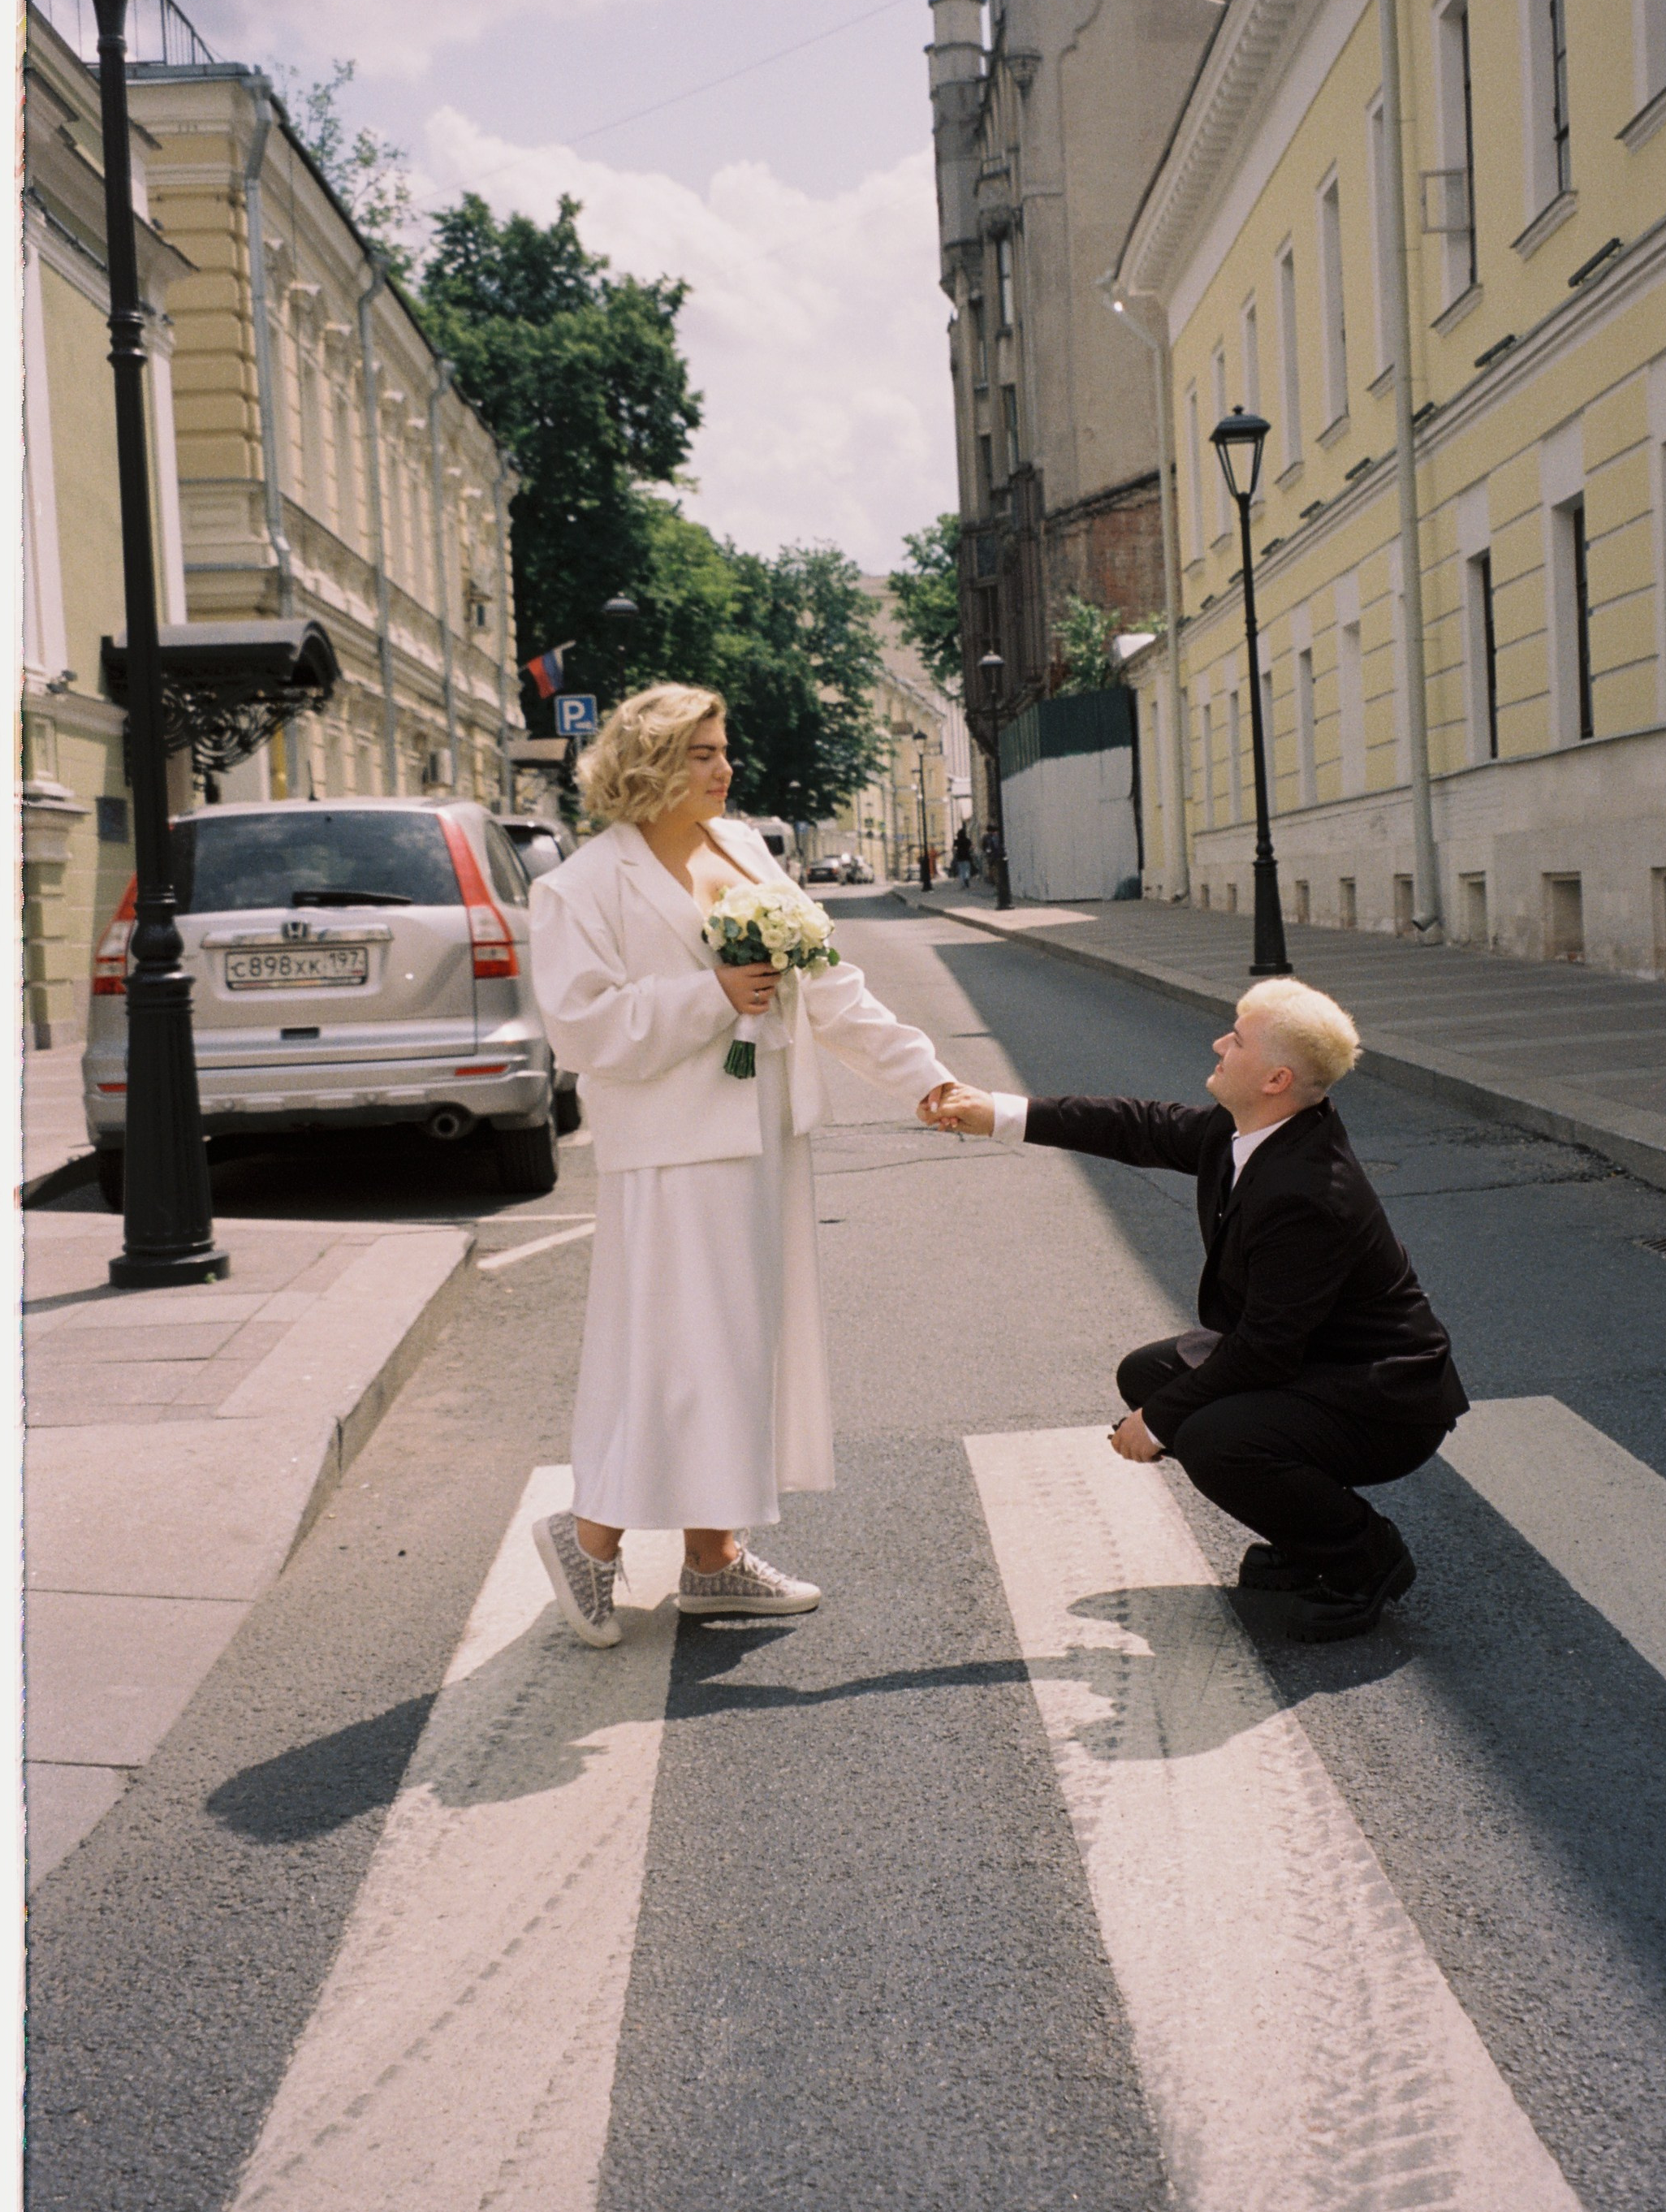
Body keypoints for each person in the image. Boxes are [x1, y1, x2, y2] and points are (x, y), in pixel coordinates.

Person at [527, 682, 954, 1645]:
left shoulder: (746, 849)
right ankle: (587, 1537)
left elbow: (830, 986)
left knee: (742, 1346)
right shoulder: (581, 888)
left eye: (724, 750)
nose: (724, 768)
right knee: (673, 1349)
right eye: (701, 754)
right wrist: (712, 995)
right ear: (646, 766)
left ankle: (713, 1559)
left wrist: (925, 1079)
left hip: (761, 1133)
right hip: (673, 1150)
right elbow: (586, 1030)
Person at [919, 979, 1466, 1641]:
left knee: (1210, 1437)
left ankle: (1364, 1557)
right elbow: (1134, 1125)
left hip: (1381, 1402)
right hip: (1315, 1362)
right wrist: (1001, 1112)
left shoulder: (1308, 1192)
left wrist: (1161, 1422)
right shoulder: (1253, 1131)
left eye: (1235, 1037)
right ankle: (1304, 1531)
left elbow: (1264, 1349)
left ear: (1275, 1077)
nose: (1217, 1042)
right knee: (1150, 1375)